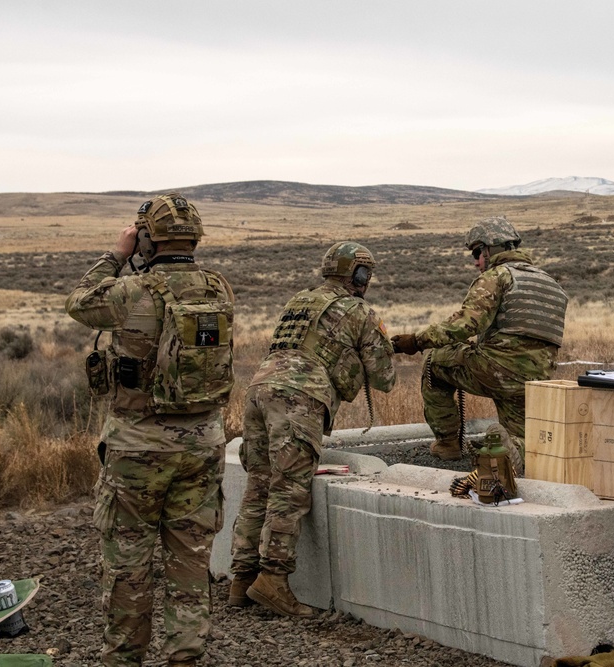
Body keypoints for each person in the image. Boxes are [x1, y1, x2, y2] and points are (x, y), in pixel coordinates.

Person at [66, 193, 234, 667]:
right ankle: (185, 656)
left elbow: (80, 302)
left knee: (128, 565)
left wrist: (116, 256)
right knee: (190, 559)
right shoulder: (218, 288)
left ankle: (124, 658)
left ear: (146, 238)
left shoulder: (131, 291)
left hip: (138, 448)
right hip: (203, 444)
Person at [228, 241, 396, 616]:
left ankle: (241, 578)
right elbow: (384, 377)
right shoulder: (357, 310)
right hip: (298, 397)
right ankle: (273, 580)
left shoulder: (299, 301)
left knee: (259, 484)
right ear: (360, 275)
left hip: (259, 390)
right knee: (289, 491)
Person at [391, 216, 568, 464]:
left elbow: (466, 324)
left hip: (496, 369)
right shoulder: (551, 283)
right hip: (536, 379)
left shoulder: (497, 276)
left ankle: (448, 443)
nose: (476, 262)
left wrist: (417, 341)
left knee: (435, 363)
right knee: (520, 437)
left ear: (490, 249)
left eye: (477, 253)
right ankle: (512, 450)